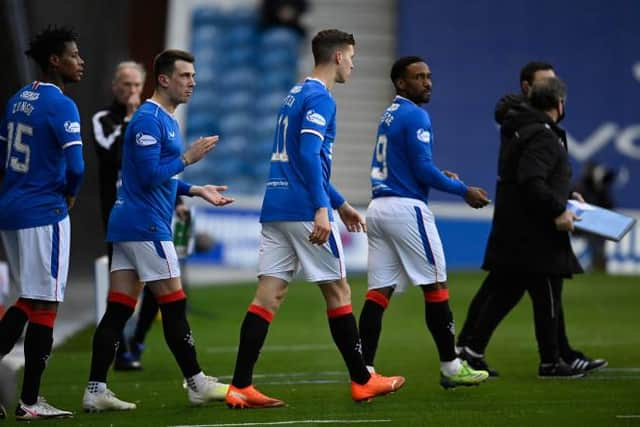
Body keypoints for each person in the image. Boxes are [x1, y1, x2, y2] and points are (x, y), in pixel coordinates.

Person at [225, 29, 405, 409]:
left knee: (268, 295)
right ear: (338, 56)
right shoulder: (321, 99)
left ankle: (240, 385)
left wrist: (339, 203)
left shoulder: (294, 95)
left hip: (275, 207)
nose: (354, 64)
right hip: (303, 209)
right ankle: (362, 379)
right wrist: (322, 208)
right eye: (352, 56)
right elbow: (307, 155)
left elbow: (302, 159)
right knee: (338, 292)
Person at [82, 49, 233, 412]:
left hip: (128, 223)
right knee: (175, 305)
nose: (192, 82)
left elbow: (150, 176)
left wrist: (195, 189)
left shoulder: (163, 118)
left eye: (194, 76)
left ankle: (95, 390)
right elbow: (150, 176)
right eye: (184, 76)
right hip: (146, 225)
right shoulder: (150, 120)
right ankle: (197, 383)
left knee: (118, 311)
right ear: (163, 79)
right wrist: (188, 159)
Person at [457, 62, 607, 376]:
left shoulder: (525, 125)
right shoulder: (536, 131)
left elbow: (535, 177)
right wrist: (558, 208)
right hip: (533, 226)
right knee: (534, 290)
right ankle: (551, 359)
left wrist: (565, 198)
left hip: (525, 222)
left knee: (509, 289)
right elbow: (532, 180)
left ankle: (476, 349)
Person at [356, 56, 491, 390]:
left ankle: (364, 373)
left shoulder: (390, 114)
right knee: (436, 287)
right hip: (405, 210)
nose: (427, 82)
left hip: (379, 206)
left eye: (429, 76)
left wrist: (434, 176)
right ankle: (451, 366)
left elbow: (412, 165)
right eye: (418, 77)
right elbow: (421, 169)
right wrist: (463, 190)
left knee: (378, 293)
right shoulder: (416, 115)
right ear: (401, 83)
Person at [0, 26, 85, 419]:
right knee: (46, 301)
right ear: (55, 60)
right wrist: (69, 193)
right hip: (43, 212)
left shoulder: (18, 100)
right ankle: (31, 402)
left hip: (11, 209)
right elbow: (77, 167)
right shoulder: (61, 105)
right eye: (74, 55)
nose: (80, 61)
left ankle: (28, 401)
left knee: (29, 297)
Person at [92, 61, 158, 371]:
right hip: (118, 214)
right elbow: (111, 157)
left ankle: (137, 341)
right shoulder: (103, 120)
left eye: (136, 86)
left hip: (149, 211)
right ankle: (118, 350)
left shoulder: (153, 117)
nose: (132, 91)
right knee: (122, 288)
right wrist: (131, 120)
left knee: (159, 284)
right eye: (126, 85)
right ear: (115, 87)